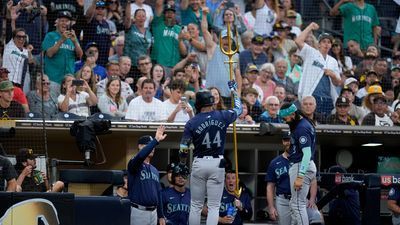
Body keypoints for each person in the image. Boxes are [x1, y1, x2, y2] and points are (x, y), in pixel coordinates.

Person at [179, 80, 242, 225]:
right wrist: (233, 90)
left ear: (198, 105)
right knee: (214, 206)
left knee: (196, 205)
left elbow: (183, 147)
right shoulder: (222, 115)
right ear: (212, 103)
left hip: (199, 161)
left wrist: (182, 163)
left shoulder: (192, 122)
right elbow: (239, 109)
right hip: (217, 162)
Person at [278, 102, 317, 225]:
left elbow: (307, 154)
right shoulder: (302, 123)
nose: (285, 121)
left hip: (301, 165)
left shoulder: (301, 127)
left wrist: (300, 176)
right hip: (303, 164)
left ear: (293, 114)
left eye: (286, 118)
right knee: (294, 204)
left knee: (298, 205)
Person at [295, 22, 341, 116]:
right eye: (324, 42)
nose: (326, 44)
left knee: (324, 126)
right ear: (319, 44)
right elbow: (298, 41)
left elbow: (338, 82)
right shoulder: (311, 53)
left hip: (327, 98)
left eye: (329, 42)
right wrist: (310, 27)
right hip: (311, 96)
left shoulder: (333, 61)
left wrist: (332, 75)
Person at [127, 125, 167, 225]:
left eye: (153, 146)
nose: (152, 148)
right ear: (140, 146)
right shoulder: (134, 163)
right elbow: (141, 156)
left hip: (153, 213)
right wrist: (156, 140)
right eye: (148, 145)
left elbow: (158, 193)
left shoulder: (155, 170)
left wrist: (161, 215)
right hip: (138, 211)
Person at [42, 11, 83, 85]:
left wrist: (75, 42)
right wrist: (61, 40)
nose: (64, 23)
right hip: (53, 79)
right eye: (62, 21)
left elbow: (79, 55)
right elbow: (49, 54)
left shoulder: (72, 37)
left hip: (69, 81)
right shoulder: (50, 35)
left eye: (67, 21)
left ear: (70, 23)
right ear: (57, 22)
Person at [265, 131, 293, 225]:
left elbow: (312, 181)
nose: (289, 142)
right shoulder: (275, 162)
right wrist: (271, 207)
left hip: (299, 198)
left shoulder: (302, 159)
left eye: (291, 140)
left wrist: (312, 199)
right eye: (286, 140)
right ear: (283, 142)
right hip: (282, 200)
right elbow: (270, 186)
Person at [2, 28, 33, 92]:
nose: (21, 39)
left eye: (23, 37)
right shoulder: (9, 46)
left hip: (19, 84)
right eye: (19, 37)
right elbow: (11, 28)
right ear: (13, 38)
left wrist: (29, 51)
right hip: (7, 80)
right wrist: (12, 20)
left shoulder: (25, 51)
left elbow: (31, 62)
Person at [124, 5, 152, 70]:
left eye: (143, 16)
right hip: (130, 65)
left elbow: (148, 50)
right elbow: (128, 18)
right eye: (139, 16)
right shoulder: (130, 28)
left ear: (145, 18)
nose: (141, 18)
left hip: (143, 66)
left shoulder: (149, 32)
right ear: (134, 18)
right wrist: (128, 3)